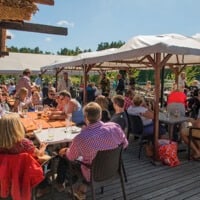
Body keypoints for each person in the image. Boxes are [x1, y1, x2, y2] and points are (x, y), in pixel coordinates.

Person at [58, 102, 128, 199]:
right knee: (89, 158)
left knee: (63, 157)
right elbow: (125, 144)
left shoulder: (81, 138)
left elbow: (71, 157)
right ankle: (81, 189)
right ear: (100, 115)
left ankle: (60, 183)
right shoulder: (115, 127)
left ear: (85, 117)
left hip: (93, 174)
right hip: (113, 169)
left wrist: (65, 150)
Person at [0, 114, 49, 197]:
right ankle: (43, 185)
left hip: (4, 172)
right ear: (18, 127)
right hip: (23, 172)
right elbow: (39, 154)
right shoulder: (24, 143)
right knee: (47, 155)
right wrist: (43, 147)